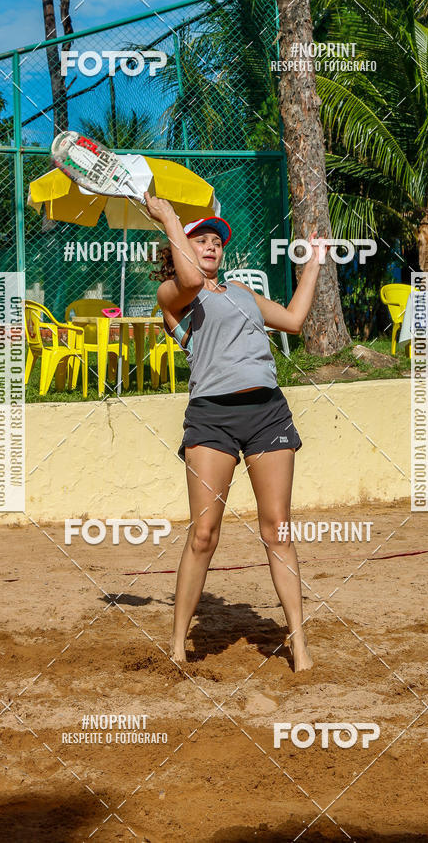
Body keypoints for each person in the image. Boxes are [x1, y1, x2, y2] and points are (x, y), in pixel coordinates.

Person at [145, 190, 327, 672]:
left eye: (216, 242)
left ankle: (300, 646)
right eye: (200, 239)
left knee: (278, 530)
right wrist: (167, 217)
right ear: (181, 247)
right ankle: (179, 644)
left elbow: (292, 319)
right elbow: (186, 277)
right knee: (204, 533)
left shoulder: (243, 294)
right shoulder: (174, 295)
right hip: (212, 418)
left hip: (267, 412)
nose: (211, 246)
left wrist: (313, 263)